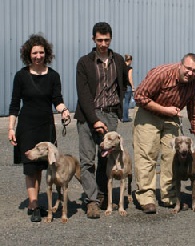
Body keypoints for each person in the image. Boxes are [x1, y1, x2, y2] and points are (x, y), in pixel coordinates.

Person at [8, 34, 70, 222]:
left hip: (46, 126)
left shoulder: (53, 76)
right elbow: (14, 104)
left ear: (46, 53)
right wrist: (11, 128)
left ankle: (35, 201)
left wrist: (64, 111)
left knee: (42, 166)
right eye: (35, 52)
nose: (38, 56)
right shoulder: (21, 76)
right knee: (30, 166)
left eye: (41, 52)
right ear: (29, 54)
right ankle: (34, 203)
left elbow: (57, 100)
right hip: (26, 126)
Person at [133, 53, 195, 214]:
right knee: (146, 155)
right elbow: (139, 96)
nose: (191, 73)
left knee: (172, 155)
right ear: (180, 65)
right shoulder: (162, 73)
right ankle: (146, 198)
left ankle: (169, 196)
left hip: (171, 116)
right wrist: (164, 109)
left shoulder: (194, 85)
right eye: (188, 68)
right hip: (148, 114)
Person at [74, 22, 129, 219]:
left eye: (106, 40)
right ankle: (92, 201)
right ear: (93, 39)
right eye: (99, 40)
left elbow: (123, 84)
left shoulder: (119, 60)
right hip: (88, 116)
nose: (103, 44)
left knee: (106, 157)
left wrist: (117, 111)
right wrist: (94, 119)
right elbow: (83, 94)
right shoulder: (84, 62)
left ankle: (103, 194)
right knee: (88, 160)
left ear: (111, 39)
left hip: (111, 114)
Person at [122, 54, 134, 122]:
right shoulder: (129, 68)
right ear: (129, 60)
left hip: (122, 86)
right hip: (128, 86)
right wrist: (132, 86)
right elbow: (130, 78)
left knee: (123, 102)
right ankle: (125, 118)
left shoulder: (121, 67)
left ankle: (122, 116)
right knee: (126, 102)